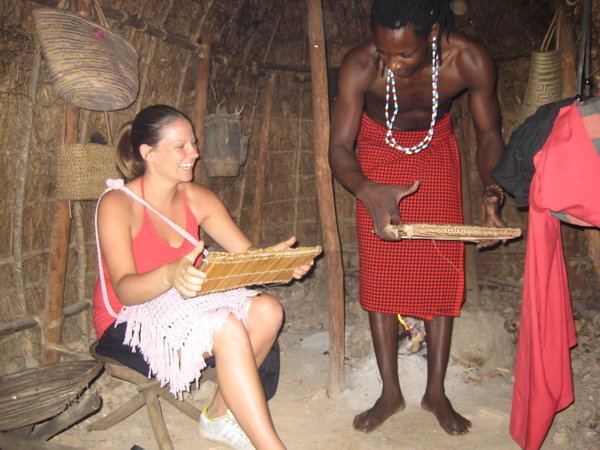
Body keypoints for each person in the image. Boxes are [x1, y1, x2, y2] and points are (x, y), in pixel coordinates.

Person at [329, 0, 506, 436]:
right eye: (382, 51)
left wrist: (492, 196)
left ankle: (436, 393)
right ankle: (390, 392)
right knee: (380, 270)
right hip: (373, 156)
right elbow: (338, 148)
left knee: (440, 266)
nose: (389, 64)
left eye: (403, 55)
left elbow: (488, 136)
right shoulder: (360, 64)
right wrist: (365, 189)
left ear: (431, 34)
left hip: (435, 152)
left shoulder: (468, 58)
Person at [93, 104, 314, 450]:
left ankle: (216, 417)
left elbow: (247, 255)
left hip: (183, 305)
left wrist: (281, 262)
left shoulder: (198, 198)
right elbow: (124, 291)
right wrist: (169, 273)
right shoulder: (117, 204)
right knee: (224, 325)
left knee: (269, 311)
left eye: (193, 143)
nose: (194, 153)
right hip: (127, 321)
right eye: (180, 146)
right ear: (148, 153)